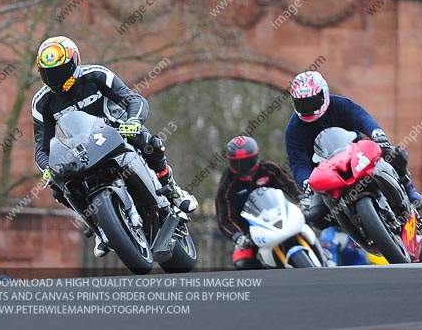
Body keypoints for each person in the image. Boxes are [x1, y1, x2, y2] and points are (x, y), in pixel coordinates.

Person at [32, 36, 197, 258]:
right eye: (49, 74)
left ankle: (170, 186)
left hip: (116, 131)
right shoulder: (41, 102)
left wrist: (133, 122)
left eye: (60, 71)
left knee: (148, 142)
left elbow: (133, 100)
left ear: (74, 63)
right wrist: (47, 168)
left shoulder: (97, 75)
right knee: (58, 187)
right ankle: (98, 227)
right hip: (79, 153)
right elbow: (42, 147)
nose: (55, 79)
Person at [285, 70, 422, 229]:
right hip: (326, 173)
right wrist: (306, 181)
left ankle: (409, 189)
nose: (307, 108)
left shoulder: (340, 104)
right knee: (315, 216)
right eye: (301, 103)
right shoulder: (293, 130)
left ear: (324, 94)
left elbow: (361, 117)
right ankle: (349, 226)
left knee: (394, 154)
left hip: (356, 154)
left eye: (311, 102)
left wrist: (376, 133)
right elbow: (298, 162)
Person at [215, 135, 303, 270]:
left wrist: (302, 198)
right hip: (251, 233)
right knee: (241, 261)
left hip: (283, 218)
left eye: (246, 162)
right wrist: (238, 236)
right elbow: (224, 219)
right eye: (237, 163)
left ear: (256, 157)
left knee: (309, 221)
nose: (242, 167)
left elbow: (289, 184)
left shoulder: (269, 169)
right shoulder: (227, 185)